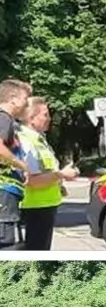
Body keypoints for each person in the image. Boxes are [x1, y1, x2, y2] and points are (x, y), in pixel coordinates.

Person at [17, 97, 77, 251]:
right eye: (45, 114)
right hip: (33, 208)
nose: (49, 118)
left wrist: (58, 184)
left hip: (43, 207)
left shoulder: (39, 139)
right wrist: (61, 175)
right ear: (31, 118)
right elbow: (31, 180)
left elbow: (44, 170)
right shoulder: (26, 141)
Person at [0, 80, 33, 249]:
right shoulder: (3, 118)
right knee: (7, 245)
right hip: (4, 196)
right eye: (25, 99)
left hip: (6, 196)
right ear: (13, 99)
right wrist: (20, 164)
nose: (27, 104)